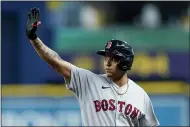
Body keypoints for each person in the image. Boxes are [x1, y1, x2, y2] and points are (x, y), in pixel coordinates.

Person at [26, 7, 160, 126]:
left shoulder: (140, 96)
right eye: (105, 57)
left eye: (112, 59)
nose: (106, 62)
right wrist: (34, 39)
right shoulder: (88, 82)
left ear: (125, 62)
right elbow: (56, 62)